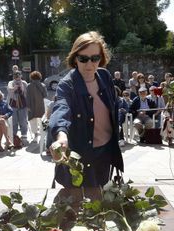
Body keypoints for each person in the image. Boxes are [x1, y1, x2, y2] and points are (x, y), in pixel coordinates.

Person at [49, 31, 123, 187]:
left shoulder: (105, 76)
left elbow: (113, 108)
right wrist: (61, 136)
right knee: (77, 205)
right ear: (75, 58)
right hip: (79, 157)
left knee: (101, 201)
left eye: (95, 58)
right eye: (83, 59)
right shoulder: (67, 85)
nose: (90, 64)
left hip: (105, 152)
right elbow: (61, 109)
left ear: (101, 58)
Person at [7, 71, 29, 140]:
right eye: (15, 75)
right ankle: (14, 134)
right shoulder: (11, 82)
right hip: (13, 103)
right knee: (14, 120)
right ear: (13, 76)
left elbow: (27, 93)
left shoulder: (24, 83)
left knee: (23, 120)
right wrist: (14, 88)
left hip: (23, 104)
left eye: (18, 75)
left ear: (21, 76)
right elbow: (9, 89)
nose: (17, 76)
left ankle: (24, 134)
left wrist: (22, 89)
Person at [26, 71, 47, 140]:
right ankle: (44, 134)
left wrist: (28, 106)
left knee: (33, 120)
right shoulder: (43, 85)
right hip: (40, 105)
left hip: (31, 105)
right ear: (39, 77)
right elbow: (45, 95)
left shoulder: (29, 86)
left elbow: (27, 97)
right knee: (43, 119)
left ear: (31, 77)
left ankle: (35, 135)